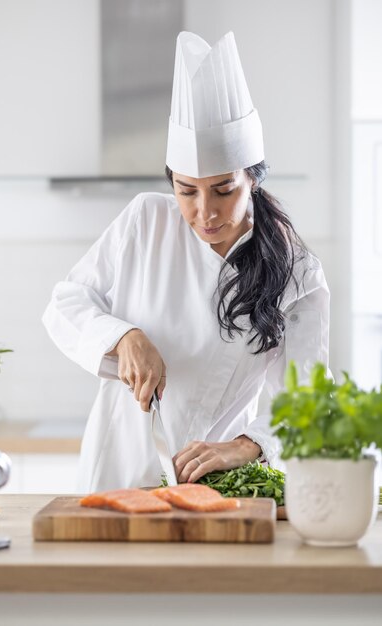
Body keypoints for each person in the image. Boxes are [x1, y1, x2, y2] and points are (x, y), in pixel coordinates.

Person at [42, 31, 329, 492]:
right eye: (186, 190)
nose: (204, 212)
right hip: (116, 464)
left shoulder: (297, 272)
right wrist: (123, 337)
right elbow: (64, 305)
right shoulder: (145, 220)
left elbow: (307, 399)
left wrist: (246, 444)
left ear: (252, 178)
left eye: (223, 189)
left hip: (216, 478)